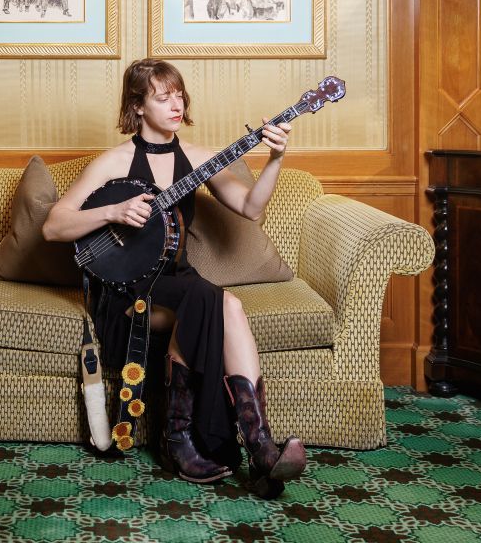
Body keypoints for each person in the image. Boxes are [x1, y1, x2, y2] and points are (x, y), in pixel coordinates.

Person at [43, 59, 306, 498]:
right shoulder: (117, 160)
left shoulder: (200, 159)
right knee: (212, 302)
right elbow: (53, 227)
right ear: (138, 106)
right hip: (126, 291)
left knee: (220, 303)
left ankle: (257, 447)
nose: (175, 104)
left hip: (177, 280)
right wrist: (113, 211)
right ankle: (202, 442)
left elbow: (251, 208)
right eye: (162, 97)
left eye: (179, 94)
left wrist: (276, 158)